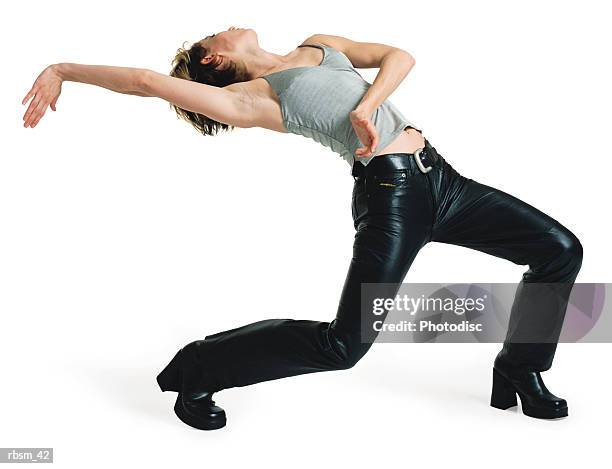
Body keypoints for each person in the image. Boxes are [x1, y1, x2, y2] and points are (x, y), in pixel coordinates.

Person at [22, 27, 583, 430]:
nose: (226, 23)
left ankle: (519, 367)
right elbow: (145, 80)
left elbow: (399, 55)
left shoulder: (320, 44)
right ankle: (200, 368)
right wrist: (62, 70)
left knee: (559, 250)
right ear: (216, 58)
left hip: (443, 179)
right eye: (214, 33)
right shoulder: (248, 100)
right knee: (345, 345)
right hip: (391, 197)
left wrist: (370, 104)